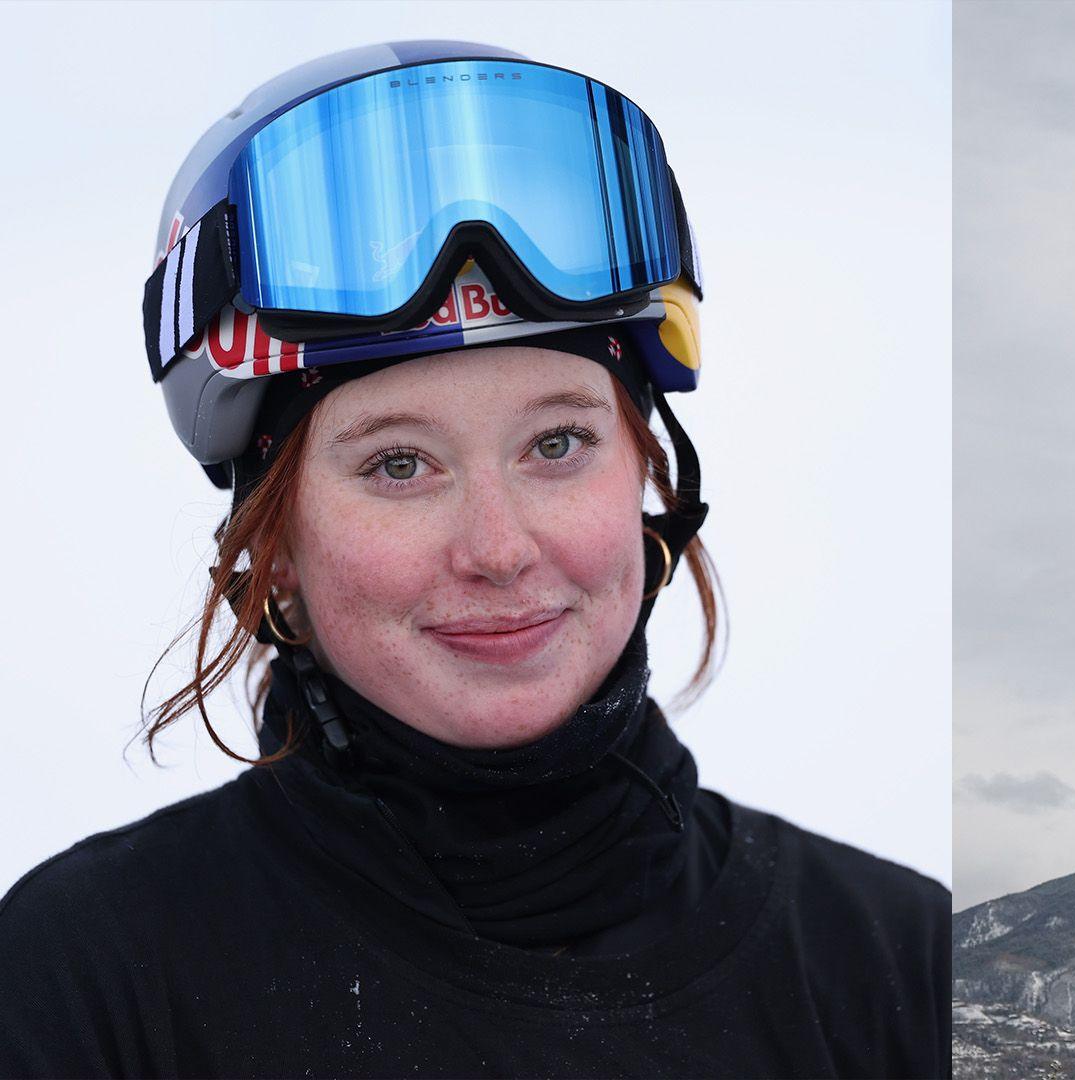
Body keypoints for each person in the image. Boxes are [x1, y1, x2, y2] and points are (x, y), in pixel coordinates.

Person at [0, 41, 949, 1078]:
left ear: (644, 475)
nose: (498, 549)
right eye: (399, 465)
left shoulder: (897, 966)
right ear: (275, 550)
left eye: (558, 444)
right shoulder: (81, 987)